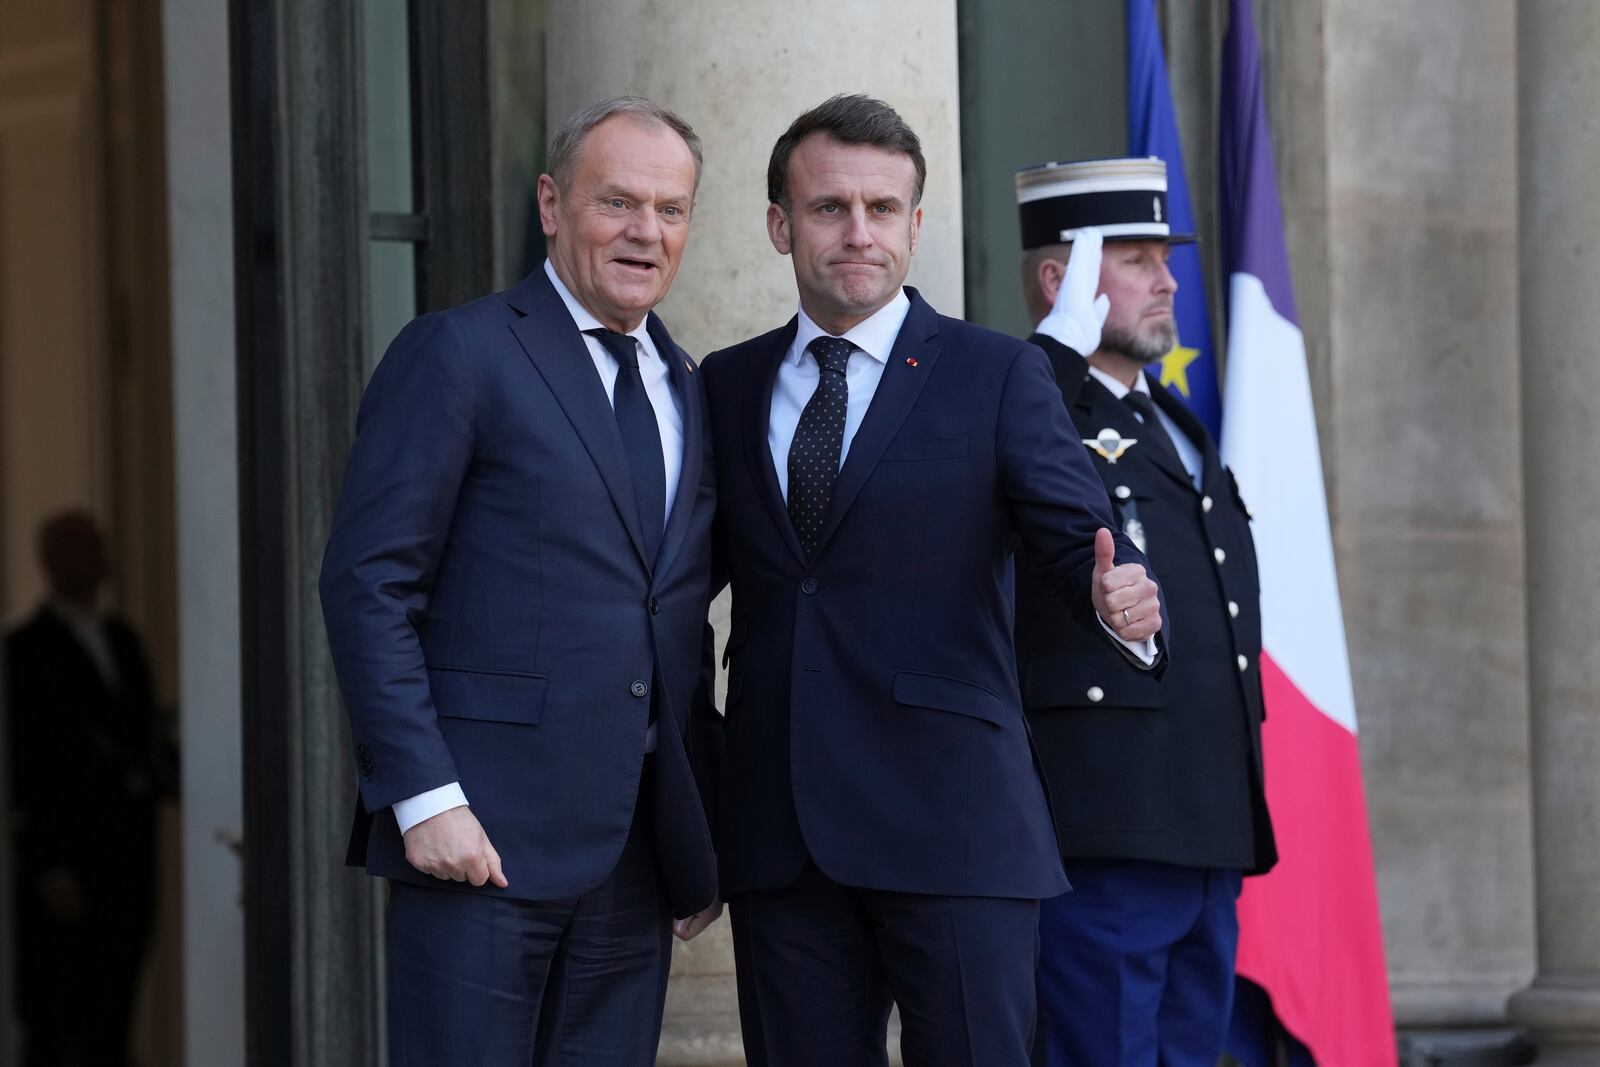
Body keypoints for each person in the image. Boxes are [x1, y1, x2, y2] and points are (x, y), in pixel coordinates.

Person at [699, 95, 1166, 1067]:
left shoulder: (995, 373)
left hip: (953, 825)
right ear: (781, 224)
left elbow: (1070, 539)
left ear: (915, 225)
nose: (857, 232)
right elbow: (676, 588)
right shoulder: (725, 384)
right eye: (829, 208)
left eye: (882, 208)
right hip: (780, 830)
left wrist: (1114, 602)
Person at [319, 96, 723, 1065]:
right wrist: (423, 797)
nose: (645, 232)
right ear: (550, 204)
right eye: (616, 202)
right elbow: (368, 580)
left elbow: (672, 617)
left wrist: (699, 823)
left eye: (670, 210)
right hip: (479, 847)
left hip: (632, 861)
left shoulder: (688, 385)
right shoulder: (458, 352)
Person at [1012, 156, 1278, 1066]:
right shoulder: (1033, 401)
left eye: (1165, 257)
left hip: (1205, 826)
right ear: (1063, 280)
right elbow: (983, 470)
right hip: (1108, 830)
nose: (1168, 280)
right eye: (1136, 258)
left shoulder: (1170, 417)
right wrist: (1050, 353)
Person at [7, 510, 161, 1067]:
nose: (96, 558)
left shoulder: (124, 640)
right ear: (49, 563)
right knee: (56, 1017)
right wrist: (49, 866)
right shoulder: (23, 652)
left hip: (128, 860)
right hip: (64, 867)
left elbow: (141, 738)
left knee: (114, 1014)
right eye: (80, 547)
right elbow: (26, 768)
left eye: (98, 545)